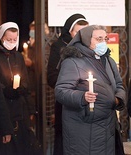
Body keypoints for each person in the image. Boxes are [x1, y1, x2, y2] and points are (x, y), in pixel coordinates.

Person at [55, 25, 126, 155]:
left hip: (107, 125)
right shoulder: (73, 62)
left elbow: (119, 85)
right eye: (99, 39)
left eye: (105, 39)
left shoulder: (108, 60)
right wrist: (82, 97)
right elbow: (61, 91)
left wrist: (117, 99)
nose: (103, 42)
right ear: (87, 40)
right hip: (83, 126)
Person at [0, 22, 41, 154]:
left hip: (18, 110)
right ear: (1, 37)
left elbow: (25, 80)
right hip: (0, 108)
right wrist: (5, 90)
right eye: (9, 39)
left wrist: (22, 90)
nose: (12, 42)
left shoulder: (18, 56)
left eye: (15, 39)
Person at [47, 13, 89, 155]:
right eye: (78, 32)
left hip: (88, 101)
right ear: (69, 31)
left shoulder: (91, 47)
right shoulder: (59, 46)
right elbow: (51, 77)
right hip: (67, 102)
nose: (81, 36)